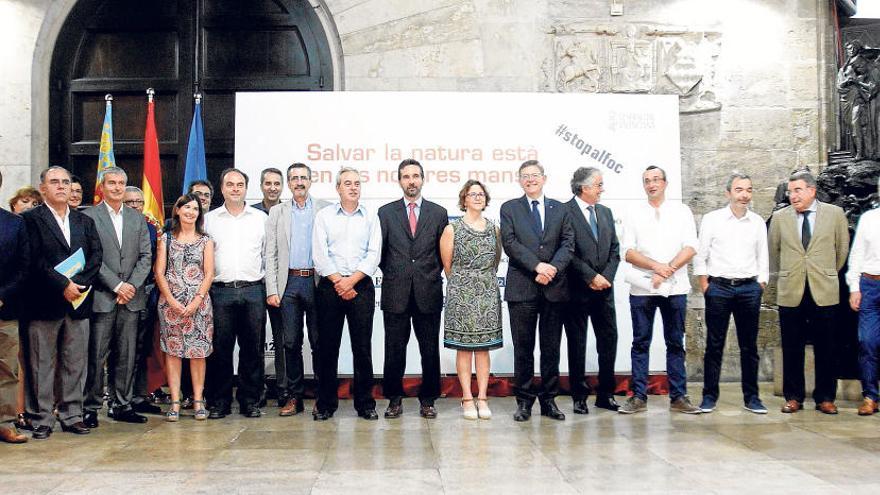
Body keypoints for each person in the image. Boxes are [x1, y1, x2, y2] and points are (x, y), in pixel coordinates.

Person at [22, 166, 102, 439]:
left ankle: (72, 415)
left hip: (78, 302)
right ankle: (41, 417)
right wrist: (62, 285)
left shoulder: (84, 221)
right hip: (44, 302)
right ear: (43, 188)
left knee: (74, 363)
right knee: (41, 363)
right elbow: (33, 261)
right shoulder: (31, 220)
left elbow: (95, 257)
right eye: (54, 182)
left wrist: (77, 285)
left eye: (65, 182)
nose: (61, 186)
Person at [619, 165, 700, 415]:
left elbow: (691, 246)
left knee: (675, 342)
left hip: (674, 288)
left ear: (665, 183)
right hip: (643, 288)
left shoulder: (681, 211)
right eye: (647, 181)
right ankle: (638, 396)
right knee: (640, 342)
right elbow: (629, 252)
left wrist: (668, 269)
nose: (651, 184)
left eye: (656, 180)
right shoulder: (634, 213)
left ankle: (678, 395)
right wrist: (656, 267)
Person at [769, 171, 849, 414]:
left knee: (827, 346)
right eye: (790, 191)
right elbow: (775, 253)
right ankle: (794, 397)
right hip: (791, 289)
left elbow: (841, 250)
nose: (792, 196)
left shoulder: (834, 214)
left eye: (798, 190)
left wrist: (823, 273)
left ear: (812, 191)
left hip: (823, 289)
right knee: (792, 346)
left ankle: (825, 397)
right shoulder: (780, 218)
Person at [500, 160, 574, 422]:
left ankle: (549, 401)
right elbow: (510, 243)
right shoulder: (509, 208)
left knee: (551, 347)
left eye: (534, 175)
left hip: (554, 288)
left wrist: (551, 268)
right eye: (525, 176)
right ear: (520, 181)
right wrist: (537, 266)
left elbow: (568, 243)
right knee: (523, 348)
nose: (530, 179)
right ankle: (524, 401)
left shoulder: (562, 209)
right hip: (522, 288)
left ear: (544, 178)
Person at [693, 172, 769, 414]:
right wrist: (706, 285)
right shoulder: (712, 219)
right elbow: (701, 254)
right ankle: (709, 396)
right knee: (714, 345)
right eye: (739, 190)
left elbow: (763, 255)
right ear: (728, 193)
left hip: (749, 288)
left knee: (749, 346)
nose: (744, 195)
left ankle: (752, 397)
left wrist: (761, 283)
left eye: (748, 189)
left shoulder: (757, 222)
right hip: (719, 288)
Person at [82, 167, 153, 427]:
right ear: (102, 186)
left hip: (131, 299)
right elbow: (92, 256)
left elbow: (146, 257)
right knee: (96, 355)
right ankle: (89, 407)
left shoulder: (138, 219)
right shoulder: (89, 216)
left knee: (127, 354)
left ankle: (121, 404)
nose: (117, 188)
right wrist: (116, 285)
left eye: (121, 183)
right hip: (103, 296)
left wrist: (131, 285)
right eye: (112, 183)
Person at [378, 159, 448, 419]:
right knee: (393, 349)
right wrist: (399, 274)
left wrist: (426, 274)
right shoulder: (385, 213)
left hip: (427, 290)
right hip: (395, 291)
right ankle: (394, 399)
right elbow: (381, 253)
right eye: (406, 176)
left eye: (415, 176)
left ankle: (428, 399)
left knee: (429, 349)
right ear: (399, 180)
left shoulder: (438, 212)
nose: (411, 181)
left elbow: (443, 254)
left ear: (422, 179)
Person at [312, 167, 382, 421]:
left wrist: (351, 281)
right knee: (327, 348)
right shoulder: (324, 216)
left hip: (360, 286)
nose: (353, 187)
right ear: (338, 188)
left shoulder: (370, 217)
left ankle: (365, 404)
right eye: (347, 183)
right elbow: (320, 254)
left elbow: (374, 255)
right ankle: (326, 404)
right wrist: (338, 282)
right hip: (330, 287)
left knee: (362, 348)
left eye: (357, 183)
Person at [264, 163, 328, 416]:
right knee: (290, 342)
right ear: (288, 184)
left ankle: (323, 398)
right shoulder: (277, 213)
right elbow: (271, 253)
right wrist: (272, 288)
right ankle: (294, 396)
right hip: (288, 283)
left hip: (316, 283)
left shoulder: (324, 209)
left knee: (319, 342)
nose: (299, 182)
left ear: (310, 181)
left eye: (303, 178)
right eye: (294, 178)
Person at [204, 168, 267, 419]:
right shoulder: (209, 219)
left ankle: (250, 400)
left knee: (252, 349)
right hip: (220, 292)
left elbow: (267, 254)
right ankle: (219, 401)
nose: (235, 189)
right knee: (220, 349)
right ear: (222, 189)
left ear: (246, 188)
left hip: (253, 290)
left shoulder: (260, 218)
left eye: (240, 184)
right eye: (230, 184)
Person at [440, 180, 502, 420]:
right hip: (461, 294)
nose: (477, 197)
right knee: (464, 349)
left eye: (481, 194)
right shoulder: (452, 229)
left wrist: (481, 282)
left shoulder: (494, 229)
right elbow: (448, 266)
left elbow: (495, 262)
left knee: (483, 349)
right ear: (463, 199)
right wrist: (465, 285)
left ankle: (483, 398)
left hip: (487, 292)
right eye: (472, 194)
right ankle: (467, 398)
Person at [562, 167, 620, 414]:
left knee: (609, 340)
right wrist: (590, 276)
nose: (602, 189)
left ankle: (605, 394)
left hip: (604, 290)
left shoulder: (605, 212)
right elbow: (567, 251)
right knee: (577, 343)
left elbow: (615, 249)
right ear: (584, 187)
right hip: (576, 289)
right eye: (598, 184)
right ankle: (579, 395)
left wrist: (605, 277)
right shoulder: (564, 212)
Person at [155, 194, 215, 421]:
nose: (191, 212)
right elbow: (159, 272)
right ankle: (175, 401)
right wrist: (170, 299)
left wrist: (196, 300)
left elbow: (209, 273)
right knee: (173, 353)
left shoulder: (206, 240)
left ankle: (198, 400)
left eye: (195, 209)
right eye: (186, 208)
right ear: (177, 211)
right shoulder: (166, 239)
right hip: (170, 304)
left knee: (198, 353)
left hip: (198, 305)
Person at [122, 186, 163, 415]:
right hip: (119, 293)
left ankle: (140, 396)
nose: (135, 206)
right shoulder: (114, 224)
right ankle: (121, 399)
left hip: (146, 293)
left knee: (143, 347)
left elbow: (153, 260)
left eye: (138, 202)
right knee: (122, 351)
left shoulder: (149, 226)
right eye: (130, 202)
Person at [0, 170, 30, 443]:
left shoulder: (14, 224)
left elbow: (23, 267)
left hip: (4, 309)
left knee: (8, 369)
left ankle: (5, 423)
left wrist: (2, 295)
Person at [848, 177, 880, 416]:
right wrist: (854, 287)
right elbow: (857, 254)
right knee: (867, 341)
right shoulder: (868, 219)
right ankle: (870, 396)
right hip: (870, 285)